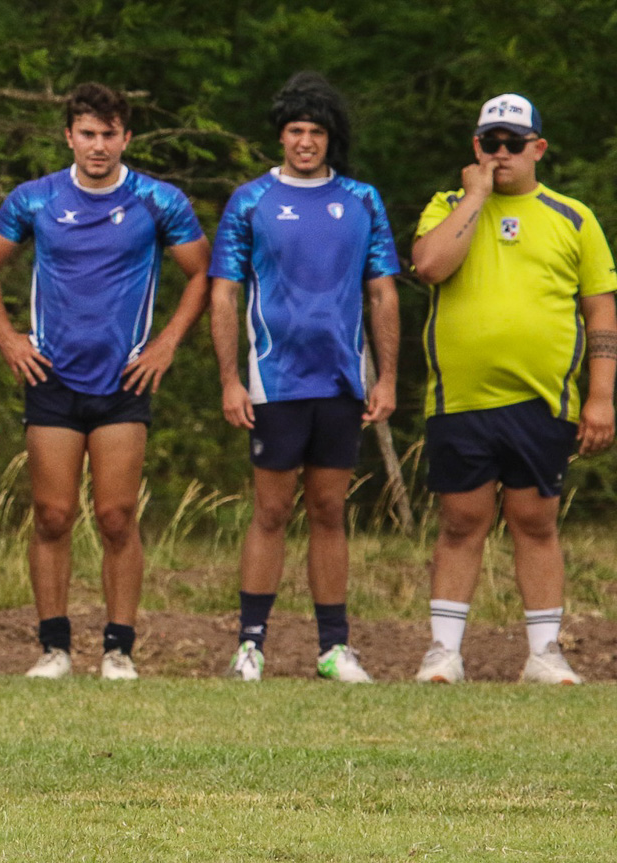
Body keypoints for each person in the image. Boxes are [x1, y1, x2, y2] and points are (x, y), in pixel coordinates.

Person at [0, 82, 210, 680]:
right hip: (50, 375)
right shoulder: (36, 199)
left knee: (116, 515)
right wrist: (6, 337)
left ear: (126, 137)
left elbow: (203, 272)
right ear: (69, 136)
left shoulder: (159, 199)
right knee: (52, 515)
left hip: (124, 378)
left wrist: (166, 344)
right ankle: (53, 648)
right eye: (87, 133)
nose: (98, 145)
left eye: (109, 134)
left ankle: (118, 650)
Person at [409, 93, 615, 684]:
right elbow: (429, 266)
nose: (502, 154)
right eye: (490, 142)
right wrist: (475, 195)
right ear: (476, 147)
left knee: (536, 519)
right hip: (461, 398)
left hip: (543, 398)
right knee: (460, 520)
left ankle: (544, 653)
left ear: (538, 149)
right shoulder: (447, 206)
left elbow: (601, 313)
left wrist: (600, 398)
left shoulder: (574, 217)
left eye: (513, 143)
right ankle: (443, 652)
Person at [208, 73, 400, 683]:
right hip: (274, 382)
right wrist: (230, 379)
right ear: (282, 136)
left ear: (330, 138)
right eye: (296, 131)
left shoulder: (363, 200)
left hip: (342, 381)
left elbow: (381, 291)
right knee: (270, 511)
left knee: (328, 510)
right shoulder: (251, 200)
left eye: (316, 132)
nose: (306, 142)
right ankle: (251, 646)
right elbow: (223, 293)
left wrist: (387, 377)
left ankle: (333, 649)